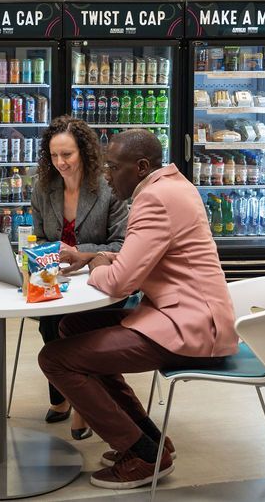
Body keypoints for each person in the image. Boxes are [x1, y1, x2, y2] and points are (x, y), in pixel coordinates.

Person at [39, 129, 238, 490]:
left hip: (191, 326)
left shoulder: (154, 200)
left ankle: (142, 454)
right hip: (188, 312)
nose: (108, 175)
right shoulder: (172, 186)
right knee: (75, 326)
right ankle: (149, 438)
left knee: (54, 359)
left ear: (142, 166)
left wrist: (98, 264)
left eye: (114, 167)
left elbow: (119, 283)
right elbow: (144, 255)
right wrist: (92, 257)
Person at [30, 116, 127, 439]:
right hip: (57, 279)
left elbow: (120, 245)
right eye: (54, 156)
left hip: (99, 280)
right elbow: (40, 236)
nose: (60, 163)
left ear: (84, 152)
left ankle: (77, 403)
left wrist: (77, 252)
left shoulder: (109, 189)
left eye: (67, 155)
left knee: (72, 325)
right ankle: (66, 396)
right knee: (49, 320)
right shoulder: (44, 187)